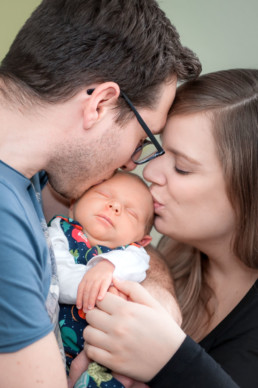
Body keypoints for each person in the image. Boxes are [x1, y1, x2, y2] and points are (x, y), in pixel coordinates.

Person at [0, 0, 201, 387]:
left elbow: (118, 238)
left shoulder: (33, 175)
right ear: (101, 103)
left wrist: (155, 293)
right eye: (142, 138)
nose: (132, 163)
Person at [83, 69, 258, 388]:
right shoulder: (170, 259)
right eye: (162, 150)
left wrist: (171, 361)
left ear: (249, 194)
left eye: (182, 168)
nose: (150, 172)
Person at [48, 171, 154, 387]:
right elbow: (58, 273)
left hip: (106, 356)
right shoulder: (60, 230)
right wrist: (94, 281)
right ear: (73, 203)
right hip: (51, 347)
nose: (115, 207)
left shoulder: (132, 254)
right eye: (103, 195)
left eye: (131, 213)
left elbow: (138, 266)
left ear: (142, 240)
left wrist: (108, 266)